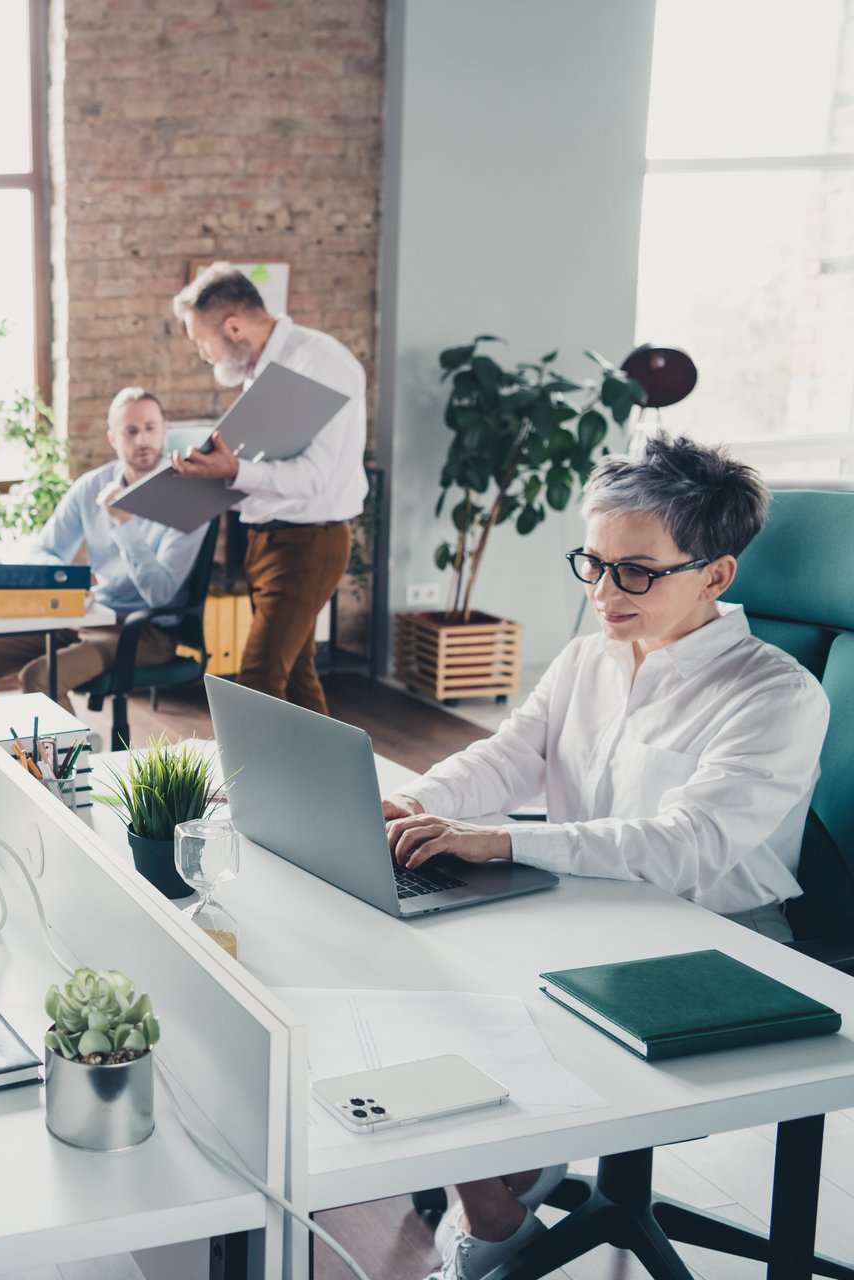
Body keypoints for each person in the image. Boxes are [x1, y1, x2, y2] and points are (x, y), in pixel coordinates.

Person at [378, 435, 829, 1280]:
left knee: (456, 1010)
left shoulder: (776, 695)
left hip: (716, 940)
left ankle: (496, 1212)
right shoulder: (590, 657)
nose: (603, 592)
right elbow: (511, 756)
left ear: (716, 575)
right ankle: (502, 1200)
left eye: (637, 571)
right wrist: (420, 799)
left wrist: (503, 839)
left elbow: (685, 846)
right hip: (586, 909)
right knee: (403, 975)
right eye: (592, 563)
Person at [168, 263, 367, 715]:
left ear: (233, 327)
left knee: (258, 677)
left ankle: (259, 787)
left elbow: (314, 478)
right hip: (271, 541)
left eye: (203, 342)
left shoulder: (316, 363)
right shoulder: (264, 369)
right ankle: (324, 782)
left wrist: (234, 470)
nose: (203, 355)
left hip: (307, 542)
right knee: (296, 677)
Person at [0, 387, 208, 699]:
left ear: (164, 431)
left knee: (39, 677)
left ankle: (72, 750)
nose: (142, 439)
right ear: (113, 439)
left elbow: (160, 594)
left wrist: (123, 524)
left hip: (145, 633)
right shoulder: (92, 487)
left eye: (150, 428)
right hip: (84, 616)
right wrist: (67, 582)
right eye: (130, 431)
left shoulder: (187, 499)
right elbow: (44, 550)